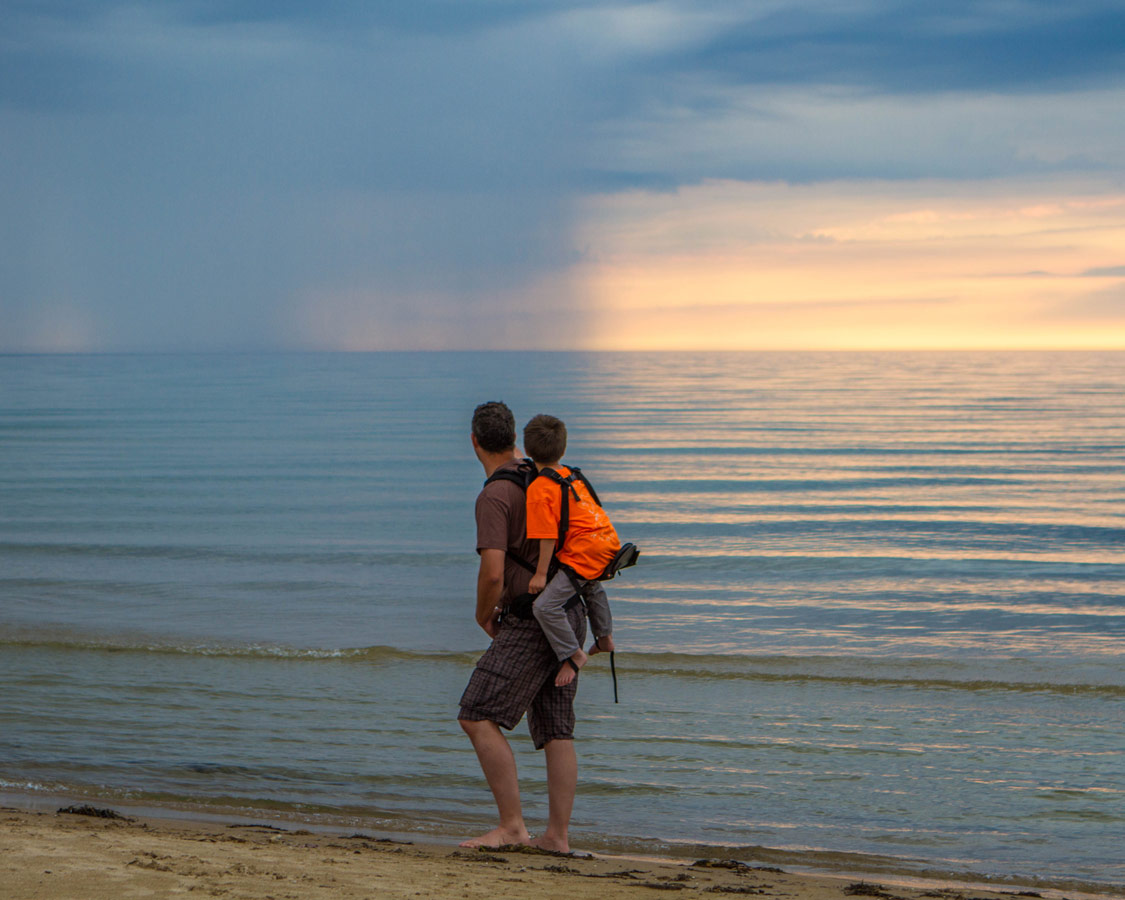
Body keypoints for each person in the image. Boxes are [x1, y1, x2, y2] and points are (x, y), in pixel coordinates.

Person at [457, 401, 586, 852]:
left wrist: (482, 615)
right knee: (556, 728)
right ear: (514, 438)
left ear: (474, 441)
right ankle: (557, 837)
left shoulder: (495, 494)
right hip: (570, 612)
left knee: (476, 714)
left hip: (532, 619)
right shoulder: (547, 475)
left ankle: (512, 827)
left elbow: (493, 572)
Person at [523, 414, 618, 687]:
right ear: (562, 448)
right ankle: (605, 638)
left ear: (528, 452)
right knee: (589, 583)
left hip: (585, 551)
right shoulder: (571, 474)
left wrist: (540, 574)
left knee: (545, 607)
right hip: (608, 541)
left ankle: (573, 654)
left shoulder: (540, 488)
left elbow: (547, 536)